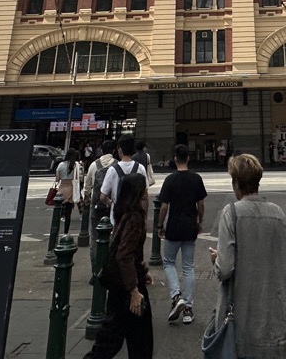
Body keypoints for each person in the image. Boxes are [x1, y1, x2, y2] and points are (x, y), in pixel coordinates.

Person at [211, 154, 286, 359]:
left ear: (235, 183)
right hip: (274, 323)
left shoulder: (231, 213)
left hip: (240, 323)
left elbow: (225, 269)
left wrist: (217, 260)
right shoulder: (277, 214)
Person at [82, 171, 152, 359]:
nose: (147, 190)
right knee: (140, 340)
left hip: (120, 284)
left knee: (110, 338)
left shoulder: (125, 214)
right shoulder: (135, 217)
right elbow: (124, 255)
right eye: (144, 187)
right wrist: (134, 290)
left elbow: (124, 250)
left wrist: (142, 270)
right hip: (128, 286)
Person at [157, 144, 206, 326]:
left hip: (173, 227)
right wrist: (200, 221)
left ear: (175, 159)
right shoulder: (196, 178)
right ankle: (188, 309)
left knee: (169, 262)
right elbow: (201, 204)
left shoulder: (170, 179)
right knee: (188, 266)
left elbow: (164, 206)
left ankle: (176, 295)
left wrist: (159, 225)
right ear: (189, 158)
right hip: (190, 227)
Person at [84, 140, 117, 271]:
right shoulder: (117, 165)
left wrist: (86, 197)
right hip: (111, 207)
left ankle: (95, 270)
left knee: (94, 238)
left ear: (101, 151)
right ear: (114, 150)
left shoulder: (94, 165)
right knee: (113, 237)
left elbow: (87, 186)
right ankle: (109, 269)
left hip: (96, 205)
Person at [100, 136, 148, 224]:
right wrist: (144, 218)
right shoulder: (140, 168)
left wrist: (112, 204)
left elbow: (103, 196)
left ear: (120, 150)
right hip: (135, 217)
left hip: (117, 218)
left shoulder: (112, 170)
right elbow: (144, 196)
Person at [54, 148, 80, 234]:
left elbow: (57, 179)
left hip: (62, 189)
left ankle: (55, 231)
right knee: (68, 215)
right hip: (71, 189)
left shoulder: (61, 165)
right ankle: (66, 232)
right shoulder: (75, 165)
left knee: (58, 210)